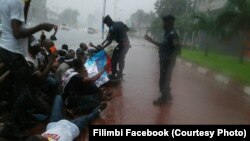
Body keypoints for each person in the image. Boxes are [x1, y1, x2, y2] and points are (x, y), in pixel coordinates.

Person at [0, 0, 56, 138]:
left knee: (22, 89)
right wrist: (41, 26)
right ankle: (9, 129)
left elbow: (19, 23)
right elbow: (18, 32)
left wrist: (27, 5)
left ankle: (20, 121)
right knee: (29, 89)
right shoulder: (16, 2)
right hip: (14, 52)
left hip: (7, 49)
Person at [25, 95, 107, 141]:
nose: (44, 136)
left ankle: (69, 105)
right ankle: (99, 109)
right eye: (43, 138)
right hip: (71, 127)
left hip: (54, 124)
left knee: (58, 97)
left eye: (42, 136)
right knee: (89, 117)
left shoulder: (37, 139)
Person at [144, 15, 180, 105]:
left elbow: (177, 49)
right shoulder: (167, 33)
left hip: (168, 61)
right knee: (165, 79)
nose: (163, 24)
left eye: (165, 22)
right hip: (164, 59)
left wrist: (169, 59)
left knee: (163, 80)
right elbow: (163, 45)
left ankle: (163, 99)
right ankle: (167, 95)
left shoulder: (172, 34)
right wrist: (151, 40)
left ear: (170, 23)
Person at [100, 15, 130, 80]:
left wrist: (103, 48)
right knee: (121, 58)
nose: (107, 25)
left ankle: (113, 75)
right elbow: (127, 29)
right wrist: (122, 34)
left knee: (114, 59)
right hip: (127, 44)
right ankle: (120, 74)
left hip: (121, 45)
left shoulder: (111, 28)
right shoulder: (120, 22)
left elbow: (110, 42)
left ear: (108, 21)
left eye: (106, 23)